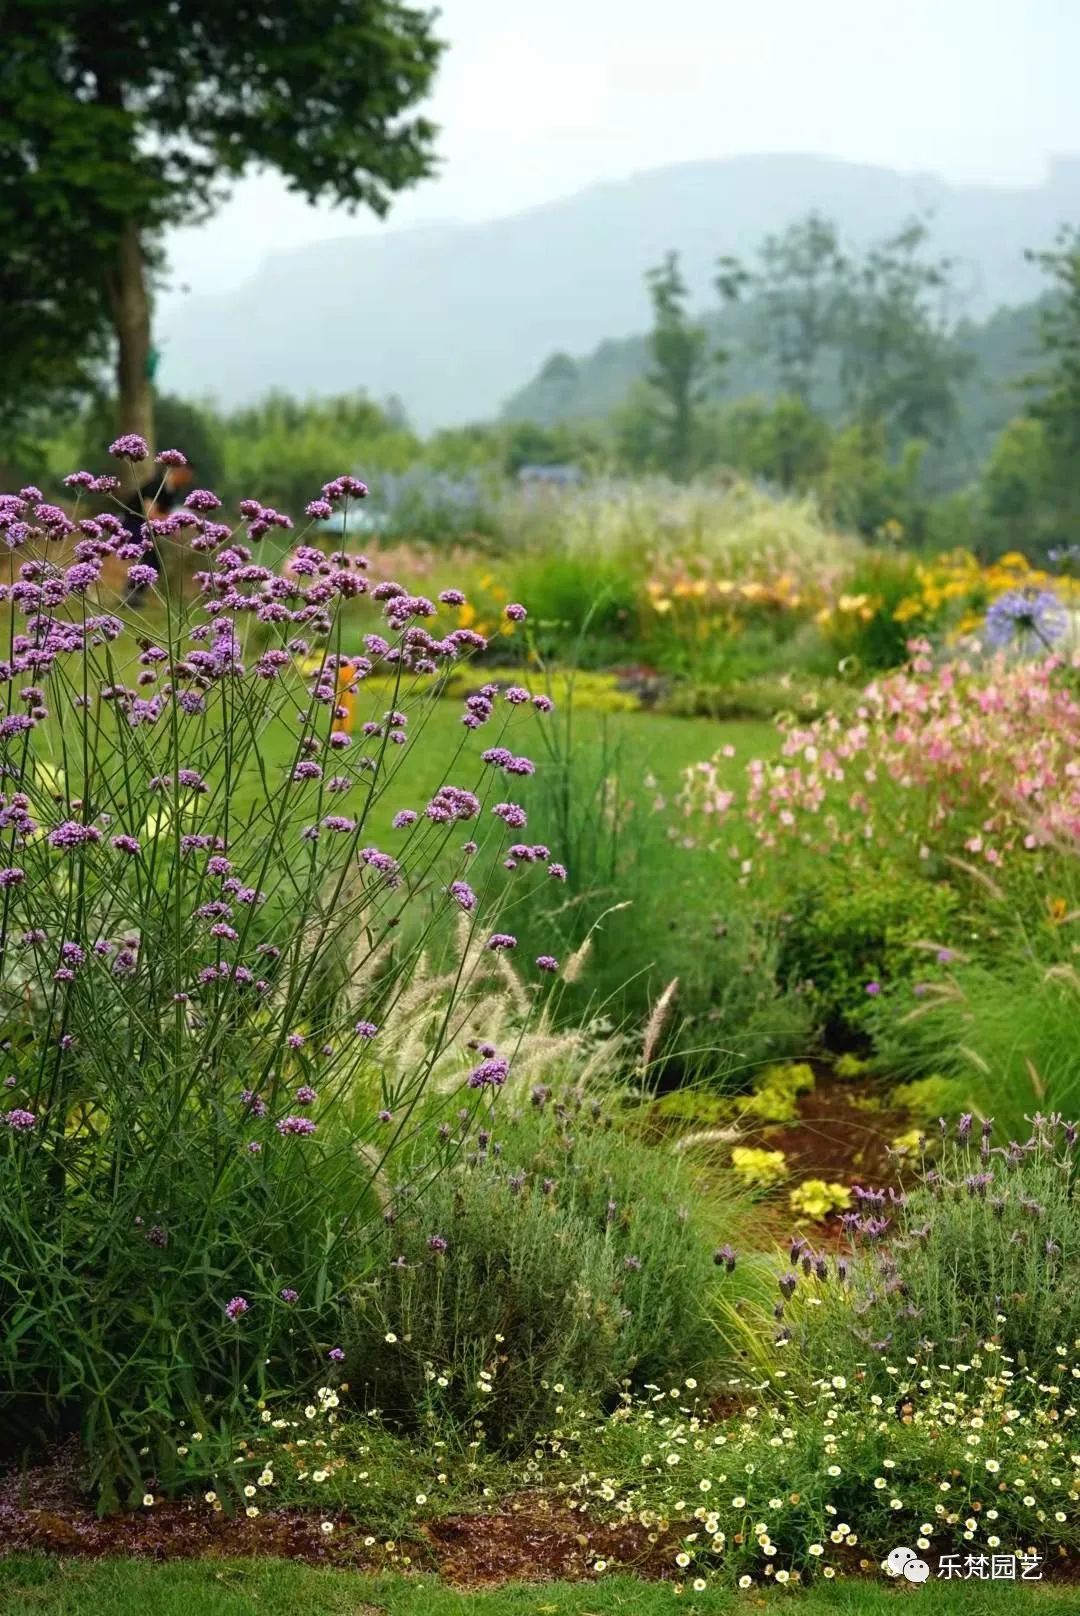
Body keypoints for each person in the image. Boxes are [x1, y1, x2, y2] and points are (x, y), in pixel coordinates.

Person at [120, 462, 194, 608]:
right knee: (151, 560)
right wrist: (174, 521)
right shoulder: (156, 486)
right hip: (132, 525)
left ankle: (134, 594)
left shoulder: (171, 491)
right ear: (180, 472)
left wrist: (173, 527)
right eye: (187, 476)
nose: (188, 481)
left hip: (144, 527)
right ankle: (130, 594)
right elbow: (150, 513)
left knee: (154, 561)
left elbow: (162, 515)